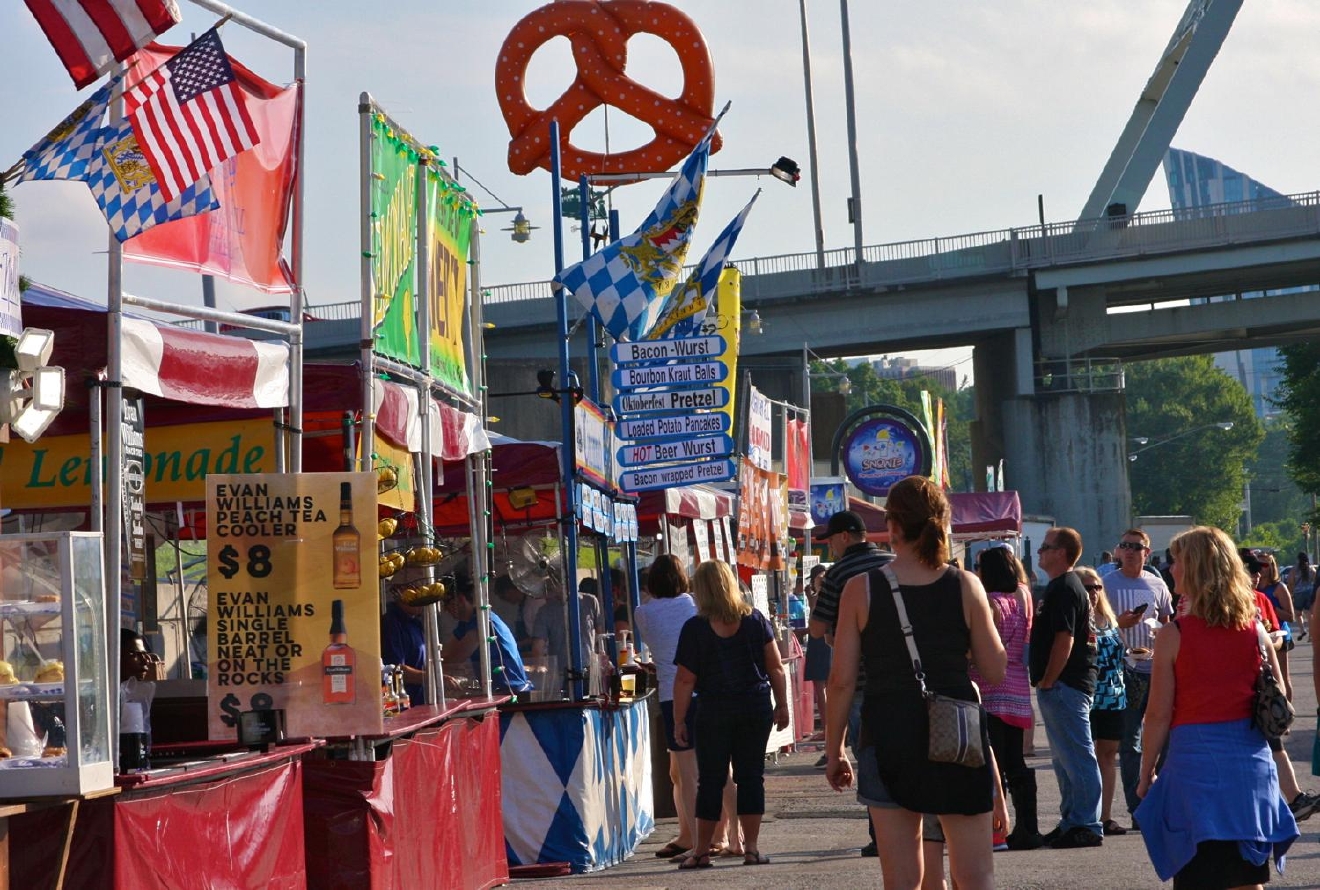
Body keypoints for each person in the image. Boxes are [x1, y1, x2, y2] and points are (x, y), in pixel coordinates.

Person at [825, 476, 1006, 890]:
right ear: (943, 523)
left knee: (903, 879)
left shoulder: (861, 588)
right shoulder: (965, 585)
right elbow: (994, 670)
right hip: (958, 733)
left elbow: (841, 681)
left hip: (888, 730)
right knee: (976, 876)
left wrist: (835, 748)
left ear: (891, 526)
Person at [1135, 526, 1298, 888]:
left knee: (1200, 873)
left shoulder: (1174, 634)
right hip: (1250, 768)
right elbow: (1280, 694)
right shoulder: (1255, 630)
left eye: (1176, 561)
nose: (1170, 568)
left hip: (1195, 771)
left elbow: (1158, 714)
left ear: (1194, 568)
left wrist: (1146, 771)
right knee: (1246, 877)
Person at [672, 560, 789, 869]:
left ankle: (700, 851)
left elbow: (685, 679)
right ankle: (750, 849)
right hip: (755, 705)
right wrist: (783, 704)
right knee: (752, 777)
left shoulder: (695, 628)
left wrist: (679, 719)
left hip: (713, 709)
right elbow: (775, 666)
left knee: (710, 780)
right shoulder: (754, 620)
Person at [808, 508, 892, 856]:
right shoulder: (894, 562)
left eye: (831, 542)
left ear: (844, 537)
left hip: (860, 680)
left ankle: (881, 834)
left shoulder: (839, 573)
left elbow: (815, 629)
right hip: (903, 677)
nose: (831, 550)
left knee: (870, 756)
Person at [1030, 526, 1104, 848]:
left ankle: (1087, 823)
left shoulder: (1064, 587)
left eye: (1045, 547)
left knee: (1078, 756)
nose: (1039, 553)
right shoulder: (1061, 586)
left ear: (1061, 553)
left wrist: (1049, 679)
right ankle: (1071, 820)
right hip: (1063, 685)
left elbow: (1066, 638)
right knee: (1064, 760)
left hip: (1065, 684)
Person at [1100, 527, 1173, 831]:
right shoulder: (1106, 584)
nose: (1128, 551)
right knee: (1130, 743)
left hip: (1156, 669)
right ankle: (1138, 808)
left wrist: (1158, 635)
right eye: (1123, 545)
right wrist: (1120, 622)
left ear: (1147, 553)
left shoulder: (1158, 584)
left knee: (1165, 741)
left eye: (1135, 546)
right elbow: (1096, 625)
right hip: (1123, 670)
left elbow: (1168, 623)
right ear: (1118, 552)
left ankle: (1162, 801)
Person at [971, 545, 1039, 849]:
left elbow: (983, 646)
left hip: (989, 685)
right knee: (1015, 762)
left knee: (991, 762)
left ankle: (995, 828)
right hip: (1017, 684)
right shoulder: (1022, 598)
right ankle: (1028, 826)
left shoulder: (991, 602)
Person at [632, 554, 699, 861]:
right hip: (702, 690)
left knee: (685, 772)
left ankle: (696, 836)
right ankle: (701, 834)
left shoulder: (643, 613)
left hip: (672, 695)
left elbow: (663, 651)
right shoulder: (693, 605)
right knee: (697, 770)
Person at [1078, 566, 1127, 837]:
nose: (1094, 592)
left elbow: (1118, 651)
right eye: (1087, 587)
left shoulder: (1108, 617)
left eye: (1097, 587)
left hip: (1114, 694)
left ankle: (1106, 815)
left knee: (1108, 755)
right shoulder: (1075, 617)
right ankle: (1087, 815)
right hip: (1087, 695)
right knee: (1084, 757)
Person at [442, 580, 533, 695]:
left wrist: (430, 674)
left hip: (511, 690)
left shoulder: (481, 621)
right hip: (495, 690)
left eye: (447, 603)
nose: (446, 609)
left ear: (460, 599)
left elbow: (457, 658)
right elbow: (446, 654)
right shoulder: (464, 625)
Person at [531, 571, 601, 692]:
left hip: (590, 670)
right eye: (560, 583)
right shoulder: (545, 611)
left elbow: (601, 635)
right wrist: (542, 673)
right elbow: (538, 647)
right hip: (562, 675)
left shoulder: (590, 601)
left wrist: (602, 663)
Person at [1256, 553, 1296, 701]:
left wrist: (1271, 607)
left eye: (1265, 565)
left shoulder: (1279, 587)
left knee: (1282, 677)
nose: (1261, 568)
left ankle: (1286, 710)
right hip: (1260, 636)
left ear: (1272, 567)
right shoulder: (1255, 586)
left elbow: (1290, 616)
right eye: (1259, 564)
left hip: (1279, 635)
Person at [380, 589, 428, 704]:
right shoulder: (391, 623)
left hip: (420, 699)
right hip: (400, 703)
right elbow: (396, 669)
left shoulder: (415, 623)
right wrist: (433, 678)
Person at [803, 564, 832, 745]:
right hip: (826, 642)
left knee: (821, 687)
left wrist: (810, 600)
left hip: (819, 642)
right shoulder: (829, 595)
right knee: (827, 686)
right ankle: (829, 727)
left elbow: (815, 622)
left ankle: (827, 728)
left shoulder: (818, 596)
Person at [489, 574, 542, 657]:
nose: (505, 600)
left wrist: (515, 644)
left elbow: (539, 635)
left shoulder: (534, 604)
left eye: (504, 596)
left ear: (511, 590)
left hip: (540, 653)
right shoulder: (523, 606)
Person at [1284, 552, 1313, 640]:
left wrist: (1291, 592)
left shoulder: (1294, 569)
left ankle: (1302, 630)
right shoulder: (1310, 569)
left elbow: (1290, 581)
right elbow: (1315, 578)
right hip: (1309, 592)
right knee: (1309, 614)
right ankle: (1311, 635)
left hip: (1298, 593)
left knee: (1298, 613)